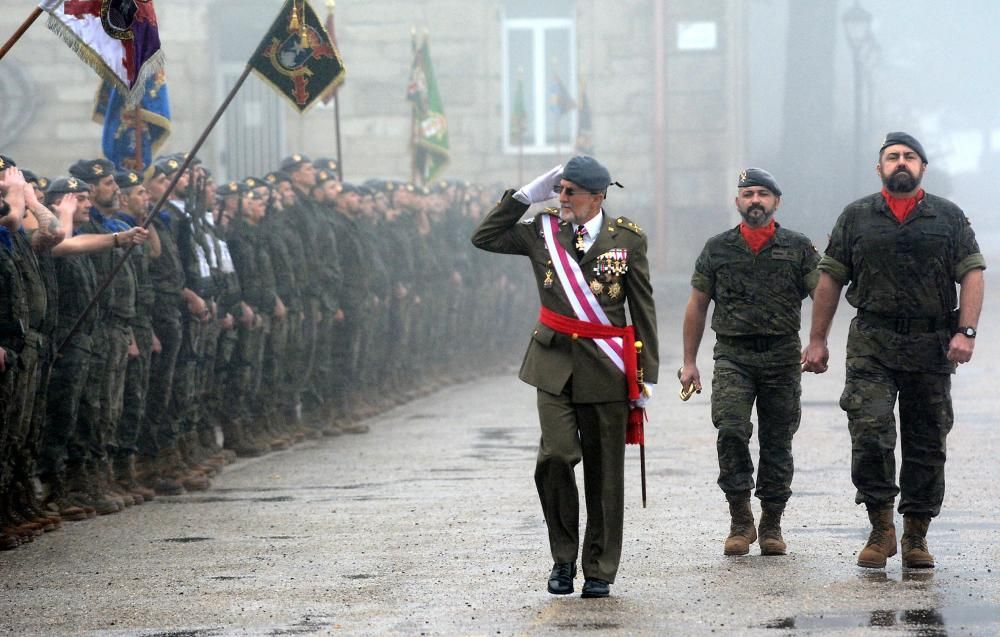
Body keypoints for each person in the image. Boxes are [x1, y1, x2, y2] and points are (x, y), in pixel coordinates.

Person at [471, 156, 658, 598]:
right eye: (559, 189)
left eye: (571, 191)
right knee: (556, 457)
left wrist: (645, 376)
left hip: (608, 368)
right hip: (552, 363)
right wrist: (523, 197)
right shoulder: (543, 230)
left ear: (599, 196)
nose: (562, 197)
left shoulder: (627, 239)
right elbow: (484, 237)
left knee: (604, 473)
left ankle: (599, 569)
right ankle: (562, 558)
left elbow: (642, 308)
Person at [802, 132, 986, 570]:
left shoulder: (948, 216)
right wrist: (817, 339)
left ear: (922, 167)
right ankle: (881, 529)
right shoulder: (857, 216)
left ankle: (916, 535)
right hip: (873, 343)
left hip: (930, 345)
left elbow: (973, 273)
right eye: (892, 157)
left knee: (926, 442)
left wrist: (968, 331)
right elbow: (830, 278)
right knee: (870, 434)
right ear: (879, 167)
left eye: (908, 157)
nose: (900, 162)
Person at [679, 168, 819, 557]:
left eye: (762, 194)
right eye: (747, 194)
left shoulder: (799, 248)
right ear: (737, 202)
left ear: (776, 201)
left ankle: (771, 522)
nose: (754, 200)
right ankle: (740, 519)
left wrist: (817, 340)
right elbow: (697, 306)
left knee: (778, 440)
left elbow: (822, 293)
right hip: (733, 355)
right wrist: (689, 361)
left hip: (780, 356)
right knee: (731, 429)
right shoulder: (717, 248)